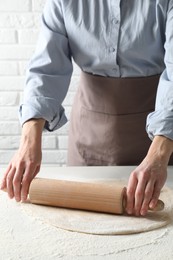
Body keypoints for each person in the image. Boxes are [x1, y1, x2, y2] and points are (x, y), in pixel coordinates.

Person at [1, 0, 173, 217]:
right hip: (89, 133)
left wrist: (159, 153)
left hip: (160, 139)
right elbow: (46, 70)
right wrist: (28, 140)